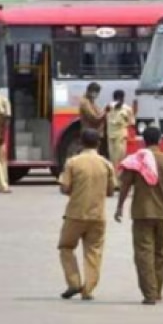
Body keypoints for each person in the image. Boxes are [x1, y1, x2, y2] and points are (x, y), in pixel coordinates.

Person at [115, 126, 163, 305]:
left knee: (143, 253)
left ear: (143, 141)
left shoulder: (137, 161)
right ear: (160, 141)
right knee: (160, 253)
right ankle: (157, 290)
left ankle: (149, 294)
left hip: (142, 213)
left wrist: (119, 207)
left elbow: (125, 186)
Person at [57, 128, 115, 301]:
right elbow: (111, 191)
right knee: (94, 251)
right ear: (98, 143)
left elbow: (65, 187)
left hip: (75, 214)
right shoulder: (106, 164)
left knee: (66, 247)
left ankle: (74, 282)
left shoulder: (72, 162)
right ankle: (88, 289)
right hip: (97, 216)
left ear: (81, 143)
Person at [105, 89, 134, 188]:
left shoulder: (125, 108)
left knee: (116, 159)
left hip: (118, 136)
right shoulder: (110, 107)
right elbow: (132, 122)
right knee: (117, 159)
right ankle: (115, 181)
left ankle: (117, 181)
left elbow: (131, 122)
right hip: (116, 136)